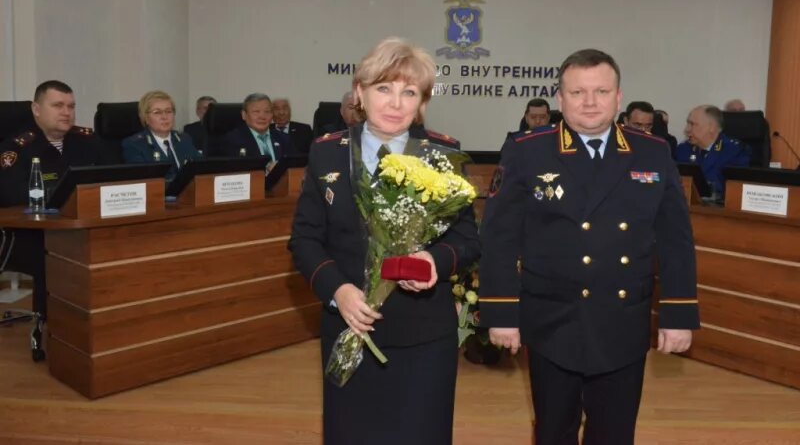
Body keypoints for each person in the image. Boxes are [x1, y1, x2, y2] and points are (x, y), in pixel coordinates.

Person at [479, 49, 699, 445]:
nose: (590, 102)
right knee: (553, 430)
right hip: (552, 320)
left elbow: (676, 239)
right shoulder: (527, 149)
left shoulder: (652, 151)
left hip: (623, 318)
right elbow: (499, 236)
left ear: (619, 97)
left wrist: (678, 314)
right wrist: (501, 313)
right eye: (578, 92)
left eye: (601, 91)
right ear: (560, 99)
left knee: (615, 433)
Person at [289, 37, 480, 445]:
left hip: (425, 335)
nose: (395, 103)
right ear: (360, 93)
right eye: (384, 89)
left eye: (409, 92)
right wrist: (337, 291)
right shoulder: (327, 154)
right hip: (350, 329)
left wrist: (434, 262)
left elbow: (467, 239)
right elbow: (305, 240)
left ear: (422, 102)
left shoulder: (443, 153)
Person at [0, 80, 108, 351]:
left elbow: (110, 178)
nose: (66, 112)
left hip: (83, 227)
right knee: (61, 253)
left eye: (71, 106)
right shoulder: (17, 149)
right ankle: (57, 328)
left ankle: (104, 321)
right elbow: (12, 198)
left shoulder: (88, 141)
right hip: (29, 234)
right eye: (57, 105)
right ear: (36, 109)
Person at [122, 90, 200, 181]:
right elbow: (143, 180)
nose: (164, 117)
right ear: (145, 118)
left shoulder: (184, 139)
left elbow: (200, 169)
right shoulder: (135, 145)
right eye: (157, 112)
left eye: (168, 111)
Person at [675, 105, 750, 199]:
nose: (687, 130)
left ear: (712, 127)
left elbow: (734, 190)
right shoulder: (683, 150)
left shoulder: (734, 151)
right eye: (688, 124)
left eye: (692, 124)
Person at [222, 93, 291, 160]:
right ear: (244, 115)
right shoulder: (233, 140)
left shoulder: (283, 138)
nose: (262, 117)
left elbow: (295, 167)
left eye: (267, 111)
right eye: (256, 111)